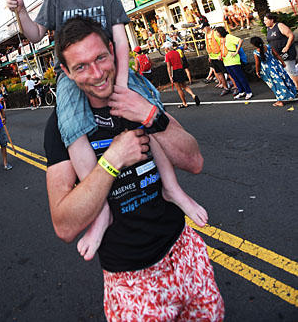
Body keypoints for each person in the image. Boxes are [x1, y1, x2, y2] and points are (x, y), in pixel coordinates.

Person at [6, 0, 206, 261]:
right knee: (71, 130)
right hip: (70, 81)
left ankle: (172, 188)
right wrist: (20, 10)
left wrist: (124, 85)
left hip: (118, 70)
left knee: (151, 114)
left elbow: (121, 43)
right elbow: (35, 34)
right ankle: (100, 214)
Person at [45, 17, 223, 321]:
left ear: (112, 50)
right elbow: (64, 226)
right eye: (81, 66)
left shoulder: (136, 94)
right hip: (130, 279)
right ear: (66, 72)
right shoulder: (63, 125)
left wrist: (151, 115)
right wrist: (112, 160)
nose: (97, 74)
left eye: (101, 58)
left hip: (185, 251)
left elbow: (194, 161)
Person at [250, 37, 297, 107]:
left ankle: (280, 101)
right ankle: (292, 93)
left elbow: (257, 64)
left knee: (275, 84)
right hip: (276, 65)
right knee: (284, 79)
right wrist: (282, 62)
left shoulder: (256, 52)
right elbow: (277, 55)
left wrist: (257, 71)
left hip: (268, 70)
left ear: (254, 45)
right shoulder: (268, 46)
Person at [215, 27, 253, 100]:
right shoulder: (221, 39)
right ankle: (241, 91)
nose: (216, 34)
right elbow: (223, 49)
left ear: (220, 32)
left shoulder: (229, 37)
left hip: (233, 61)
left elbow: (240, 40)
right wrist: (220, 55)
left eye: (217, 32)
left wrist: (236, 51)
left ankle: (248, 92)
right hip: (226, 61)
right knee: (235, 78)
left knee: (240, 77)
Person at [264, 12, 298, 90]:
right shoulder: (268, 29)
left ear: (272, 20)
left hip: (287, 52)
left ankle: (297, 88)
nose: (264, 22)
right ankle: (293, 87)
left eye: (266, 20)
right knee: (286, 71)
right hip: (278, 55)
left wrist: (287, 47)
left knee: (291, 71)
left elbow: (291, 35)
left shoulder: (279, 25)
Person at [164, 42, 200, 108]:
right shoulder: (176, 52)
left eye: (165, 48)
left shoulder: (167, 55)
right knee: (184, 85)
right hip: (180, 69)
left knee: (179, 88)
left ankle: (184, 103)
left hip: (175, 71)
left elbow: (168, 66)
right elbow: (181, 61)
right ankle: (193, 94)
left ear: (167, 48)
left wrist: (170, 76)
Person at [201, 20, 230, 95]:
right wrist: (209, 56)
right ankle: (225, 87)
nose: (203, 30)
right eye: (202, 29)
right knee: (219, 73)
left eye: (203, 28)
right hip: (213, 57)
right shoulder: (206, 35)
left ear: (208, 26)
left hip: (219, 56)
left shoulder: (215, 33)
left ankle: (235, 86)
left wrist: (221, 53)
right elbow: (208, 46)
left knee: (227, 72)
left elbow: (222, 43)